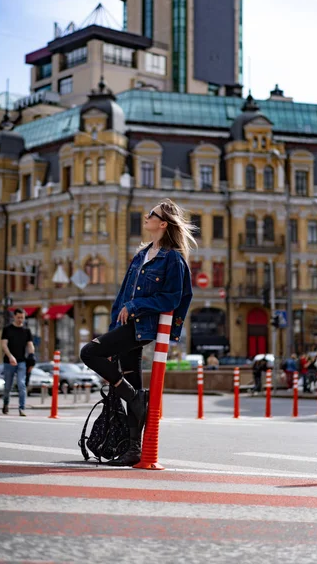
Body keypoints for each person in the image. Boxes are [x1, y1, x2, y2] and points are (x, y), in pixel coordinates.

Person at [81, 199, 195, 466]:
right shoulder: (141, 255)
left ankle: (133, 397)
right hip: (126, 326)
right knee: (130, 377)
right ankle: (134, 448)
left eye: (151, 214)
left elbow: (172, 298)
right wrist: (114, 328)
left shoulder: (173, 259)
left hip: (141, 327)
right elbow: (121, 297)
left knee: (89, 352)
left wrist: (137, 305)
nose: (146, 216)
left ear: (163, 223)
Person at [1, 308, 35, 416]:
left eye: (22, 317)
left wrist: (31, 356)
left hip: (21, 362)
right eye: (19, 317)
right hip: (8, 362)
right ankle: (5, 404)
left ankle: (22, 408)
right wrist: (10, 356)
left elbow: (30, 345)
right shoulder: (7, 329)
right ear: (14, 316)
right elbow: (4, 344)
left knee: (21, 384)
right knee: (8, 386)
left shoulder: (27, 331)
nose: (20, 319)